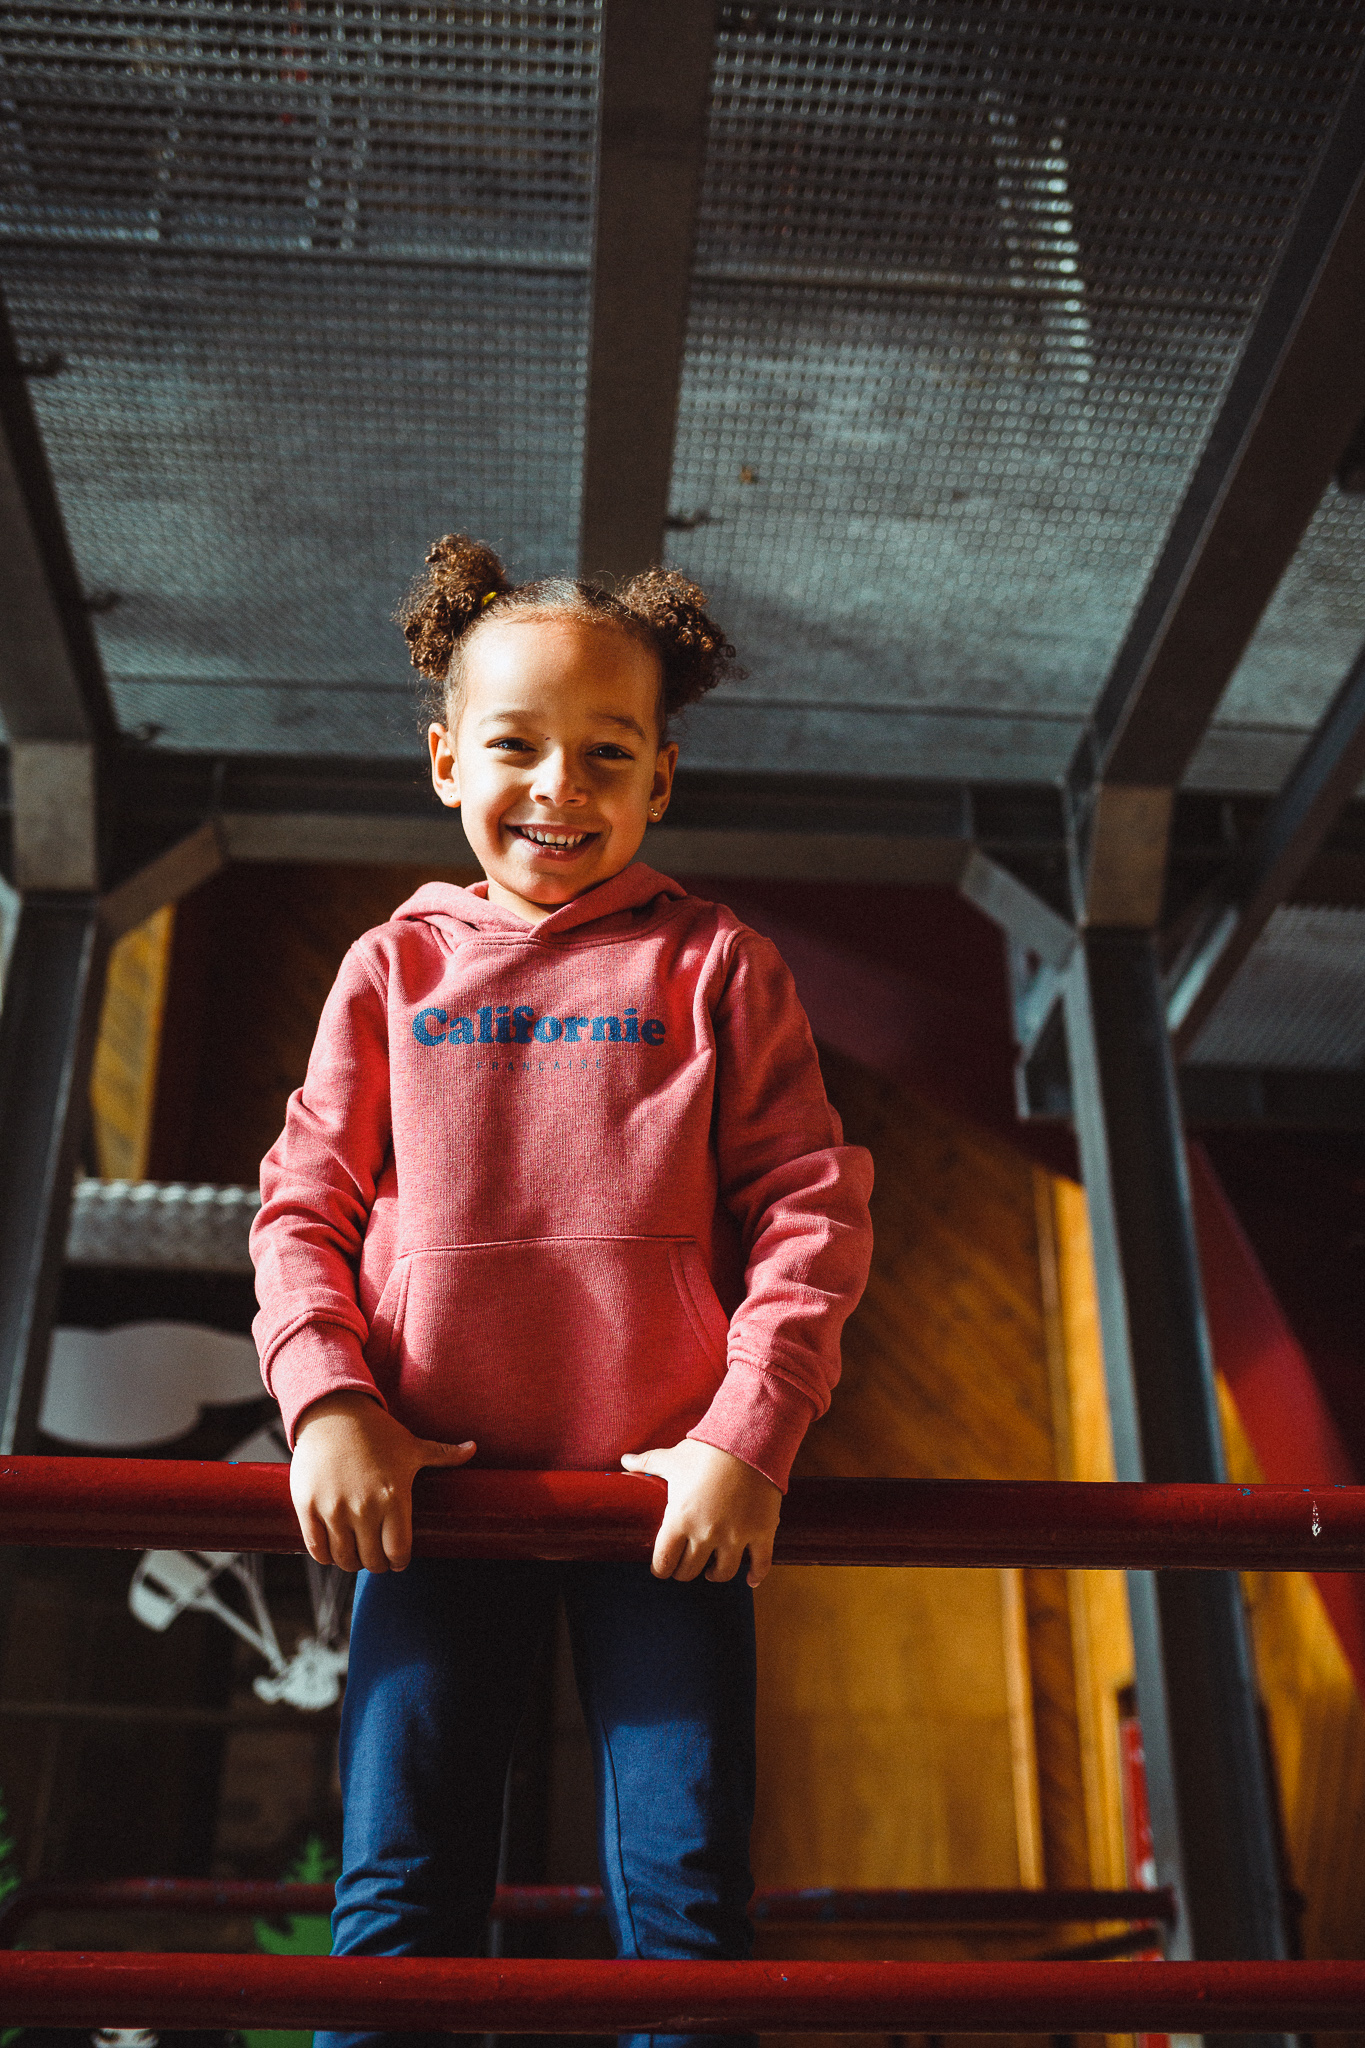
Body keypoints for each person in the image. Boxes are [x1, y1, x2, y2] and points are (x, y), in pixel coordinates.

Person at [250, 535, 875, 2048]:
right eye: (515, 745)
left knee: (686, 1903)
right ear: (444, 760)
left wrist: (746, 1437)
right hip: (430, 1501)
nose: (559, 785)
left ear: (662, 778)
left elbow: (810, 1207)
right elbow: (301, 1207)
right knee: (397, 1903)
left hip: (662, 1505)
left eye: (606, 752)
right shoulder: (392, 968)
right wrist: (327, 1404)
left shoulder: (718, 966)